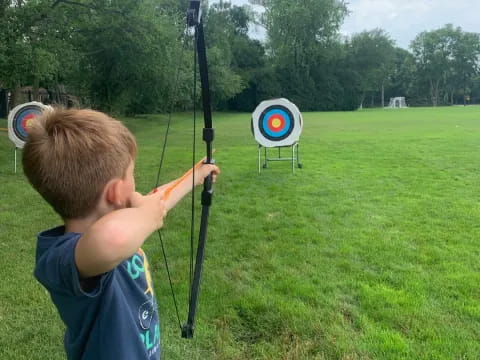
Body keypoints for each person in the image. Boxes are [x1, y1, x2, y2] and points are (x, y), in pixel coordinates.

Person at [22, 108, 219, 360]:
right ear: (115, 192)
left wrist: (196, 175)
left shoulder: (125, 220)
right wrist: (146, 215)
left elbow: (157, 203)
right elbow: (113, 239)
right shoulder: (61, 258)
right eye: (131, 174)